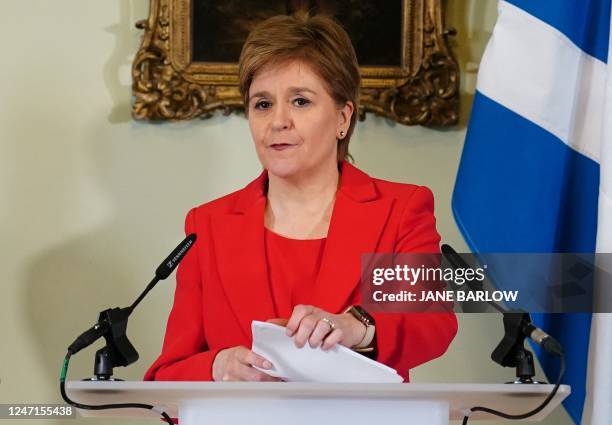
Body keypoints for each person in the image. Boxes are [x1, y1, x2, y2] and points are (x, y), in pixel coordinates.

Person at [144, 11, 457, 383]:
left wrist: (358, 327)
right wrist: (217, 367)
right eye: (263, 104)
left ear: (343, 117)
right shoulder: (207, 225)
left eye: (300, 101)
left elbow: (433, 323)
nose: (278, 121)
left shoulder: (401, 210)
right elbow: (168, 375)